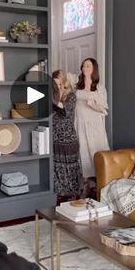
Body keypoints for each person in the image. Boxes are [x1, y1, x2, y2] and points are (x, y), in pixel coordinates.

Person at [75, 58, 109, 198]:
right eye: (83, 66)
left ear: (94, 68)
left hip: (95, 126)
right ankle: (85, 186)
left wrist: (92, 104)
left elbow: (104, 108)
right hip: (80, 124)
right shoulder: (77, 86)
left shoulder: (100, 88)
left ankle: (101, 187)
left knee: (97, 153)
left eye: (88, 66)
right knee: (83, 155)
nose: (84, 68)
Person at [52, 69, 83, 203]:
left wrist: (54, 96)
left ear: (64, 82)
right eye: (55, 85)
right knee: (57, 169)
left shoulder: (71, 96)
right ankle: (60, 195)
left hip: (69, 140)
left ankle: (73, 196)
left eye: (60, 84)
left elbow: (64, 110)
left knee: (71, 171)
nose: (58, 87)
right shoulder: (53, 95)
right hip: (55, 139)